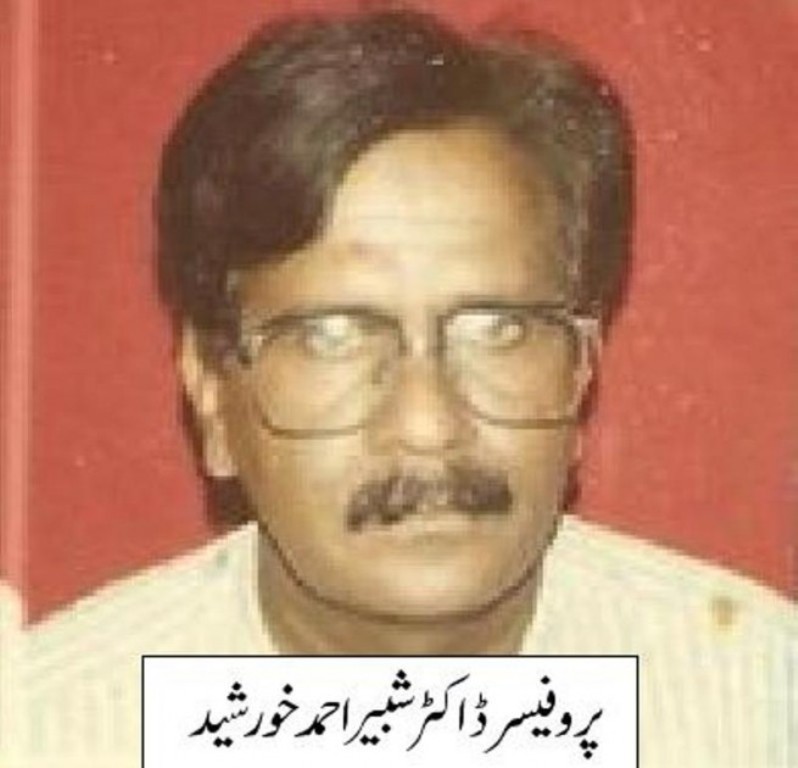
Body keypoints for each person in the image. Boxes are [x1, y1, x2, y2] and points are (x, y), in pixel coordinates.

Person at [22, 8, 795, 767]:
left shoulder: (761, 709)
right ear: (212, 395)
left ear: (581, 368)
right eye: (332, 336)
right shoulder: (44, 733)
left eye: (498, 329)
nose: (428, 425)